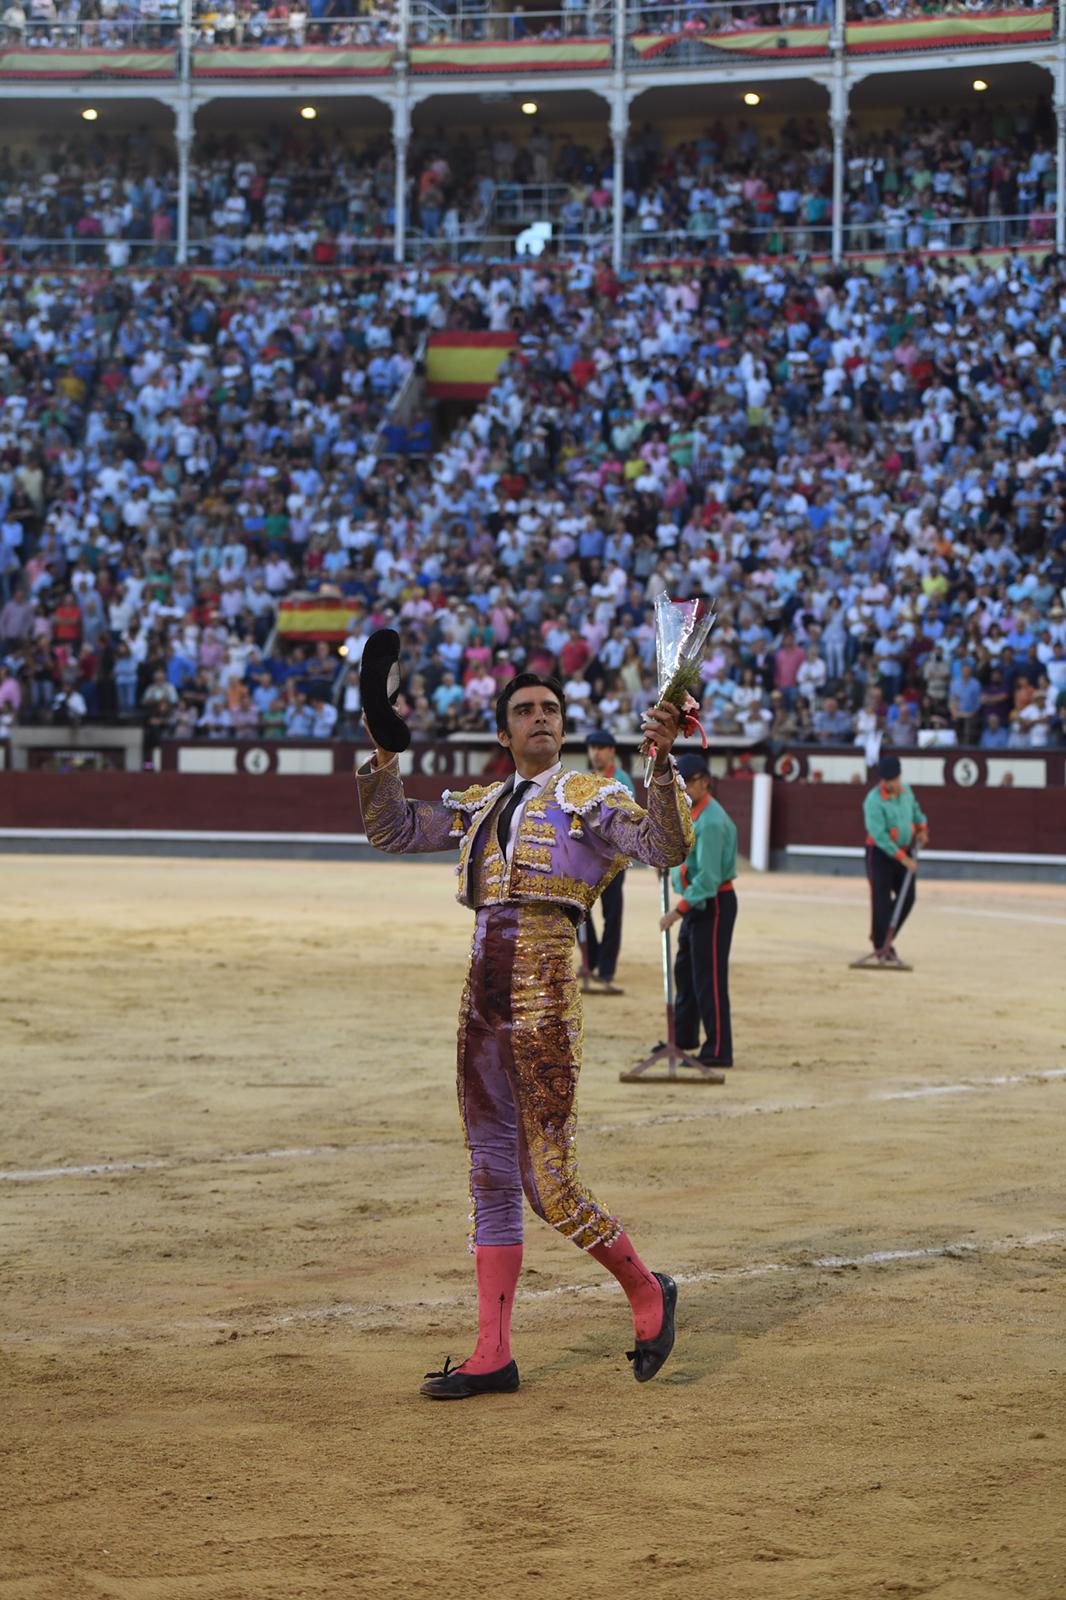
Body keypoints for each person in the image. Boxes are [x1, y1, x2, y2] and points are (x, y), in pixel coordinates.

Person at [358, 672, 693, 1400]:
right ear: (503, 735)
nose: (540, 719)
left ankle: (647, 1291)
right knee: (489, 1175)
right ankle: (492, 1353)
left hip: (544, 992)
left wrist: (662, 764)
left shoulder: (590, 798)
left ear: (563, 728)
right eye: (524, 711)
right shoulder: (481, 806)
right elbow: (390, 829)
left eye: (550, 710)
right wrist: (384, 756)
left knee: (551, 1185)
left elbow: (664, 846)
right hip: (480, 997)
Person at [658, 753, 738, 1070]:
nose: (683, 788)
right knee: (686, 974)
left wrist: (676, 911)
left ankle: (719, 1048)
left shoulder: (713, 821)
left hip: (713, 906)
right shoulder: (693, 814)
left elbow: (708, 879)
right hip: (697, 905)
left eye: (687, 782)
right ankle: (685, 1036)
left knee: (709, 978)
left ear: (704, 781)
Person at [862, 753, 928, 966]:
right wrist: (904, 859)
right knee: (881, 900)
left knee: (907, 898)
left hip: (903, 850)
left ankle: (882, 937)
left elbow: (917, 813)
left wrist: (922, 829)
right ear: (882, 780)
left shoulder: (906, 791)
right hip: (879, 855)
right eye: (889, 781)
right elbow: (880, 836)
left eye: (895, 779)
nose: (893, 784)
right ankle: (882, 946)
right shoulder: (873, 801)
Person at [582, 728, 635, 994]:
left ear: (612, 751)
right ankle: (591, 960)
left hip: (613, 859)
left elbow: (626, 819)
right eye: (593, 748)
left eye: (601, 748)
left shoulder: (622, 780)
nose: (596, 752)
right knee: (582, 910)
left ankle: (605, 968)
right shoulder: (587, 779)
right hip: (589, 859)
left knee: (612, 913)